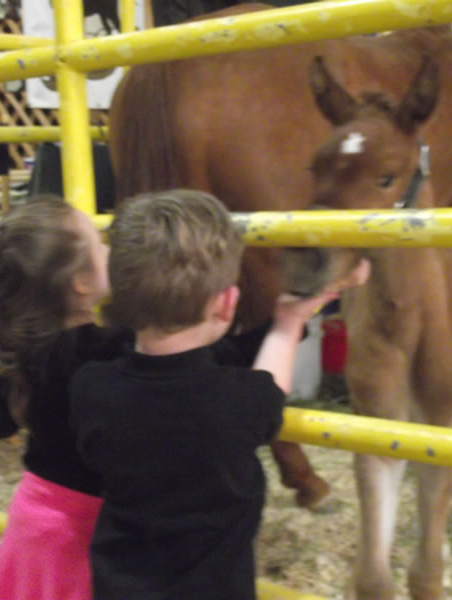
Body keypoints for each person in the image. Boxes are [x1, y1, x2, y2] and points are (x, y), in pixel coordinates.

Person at [69, 189, 370, 600]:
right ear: (227, 303)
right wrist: (289, 321)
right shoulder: (238, 401)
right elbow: (269, 385)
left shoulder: (90, 387)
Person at [0, 195, 112, 600]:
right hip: (85, 528)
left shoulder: (22, 349)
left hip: (34, 518)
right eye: (99, 242)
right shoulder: (109, 350)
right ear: (81, 283)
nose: (108, 248)